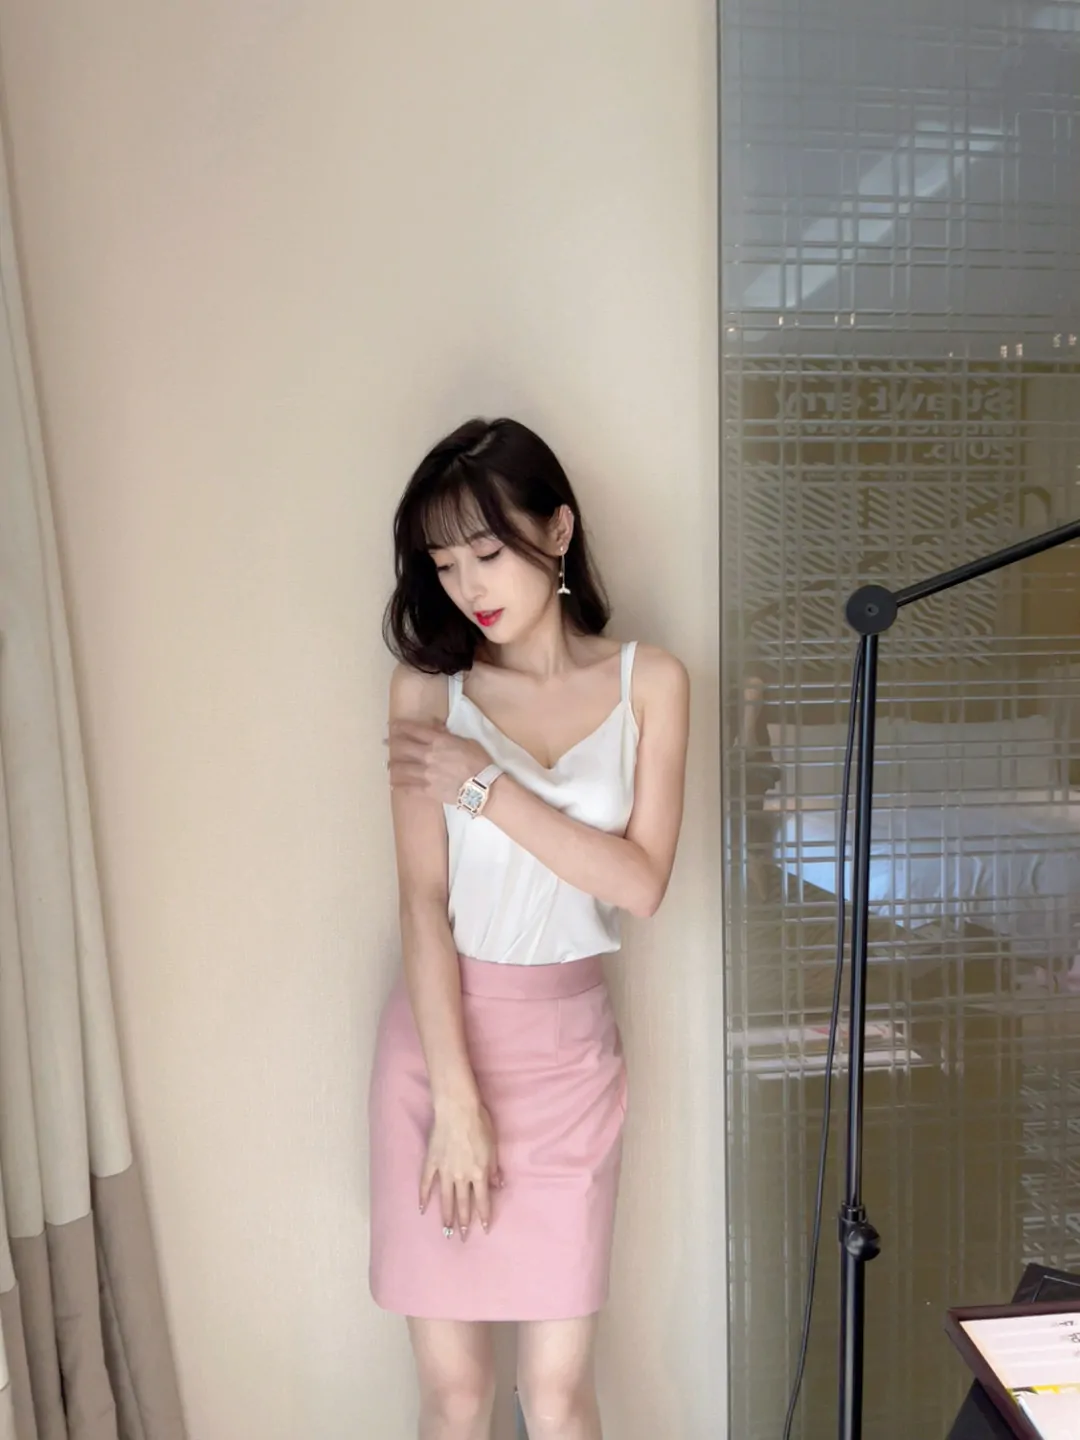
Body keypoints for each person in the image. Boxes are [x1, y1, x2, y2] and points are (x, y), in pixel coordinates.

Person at [369, 416, 690, 1440]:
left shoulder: (650, 682)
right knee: (457, 1396)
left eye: (487, 550)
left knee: (555, 1397)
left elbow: (640, 884)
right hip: (440, 1048)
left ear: (558, 531)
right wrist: (455, 1101)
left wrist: (486, 789)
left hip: (569, 1059)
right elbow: (421, 904)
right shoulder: (429, 691)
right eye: (444, 563)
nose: (469, 585)